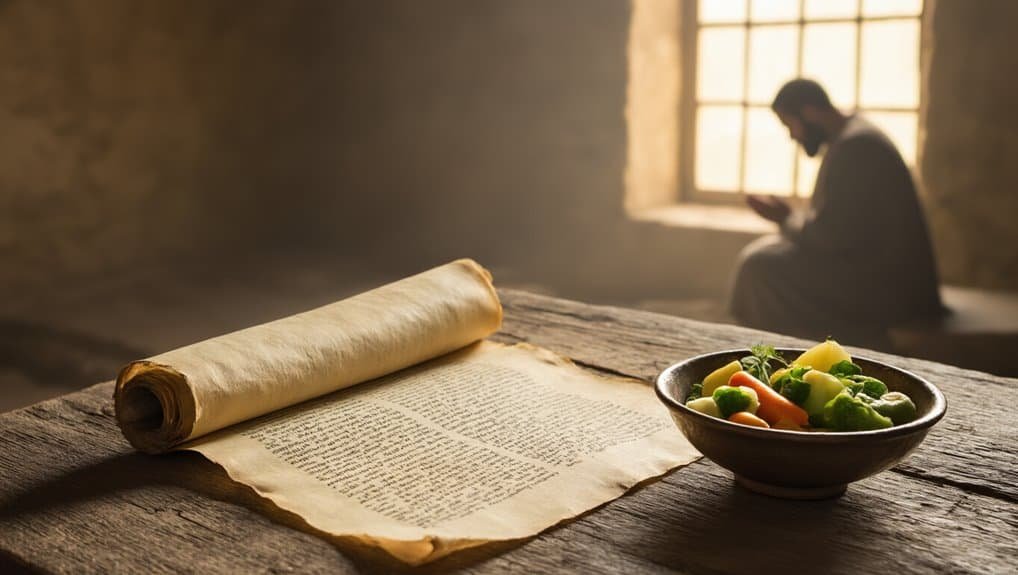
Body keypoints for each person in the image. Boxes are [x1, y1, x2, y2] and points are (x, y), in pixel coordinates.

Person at [729, 78, 942, 338]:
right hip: (876, 270)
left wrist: (785, 219)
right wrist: (789, 219)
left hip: (891, 290)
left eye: (789, 125)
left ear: (808, 112)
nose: (792, 136)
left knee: (759, 265)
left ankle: (774, 344)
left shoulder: (857, 147)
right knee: (765, 251)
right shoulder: (852, 137)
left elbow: (831, 236)